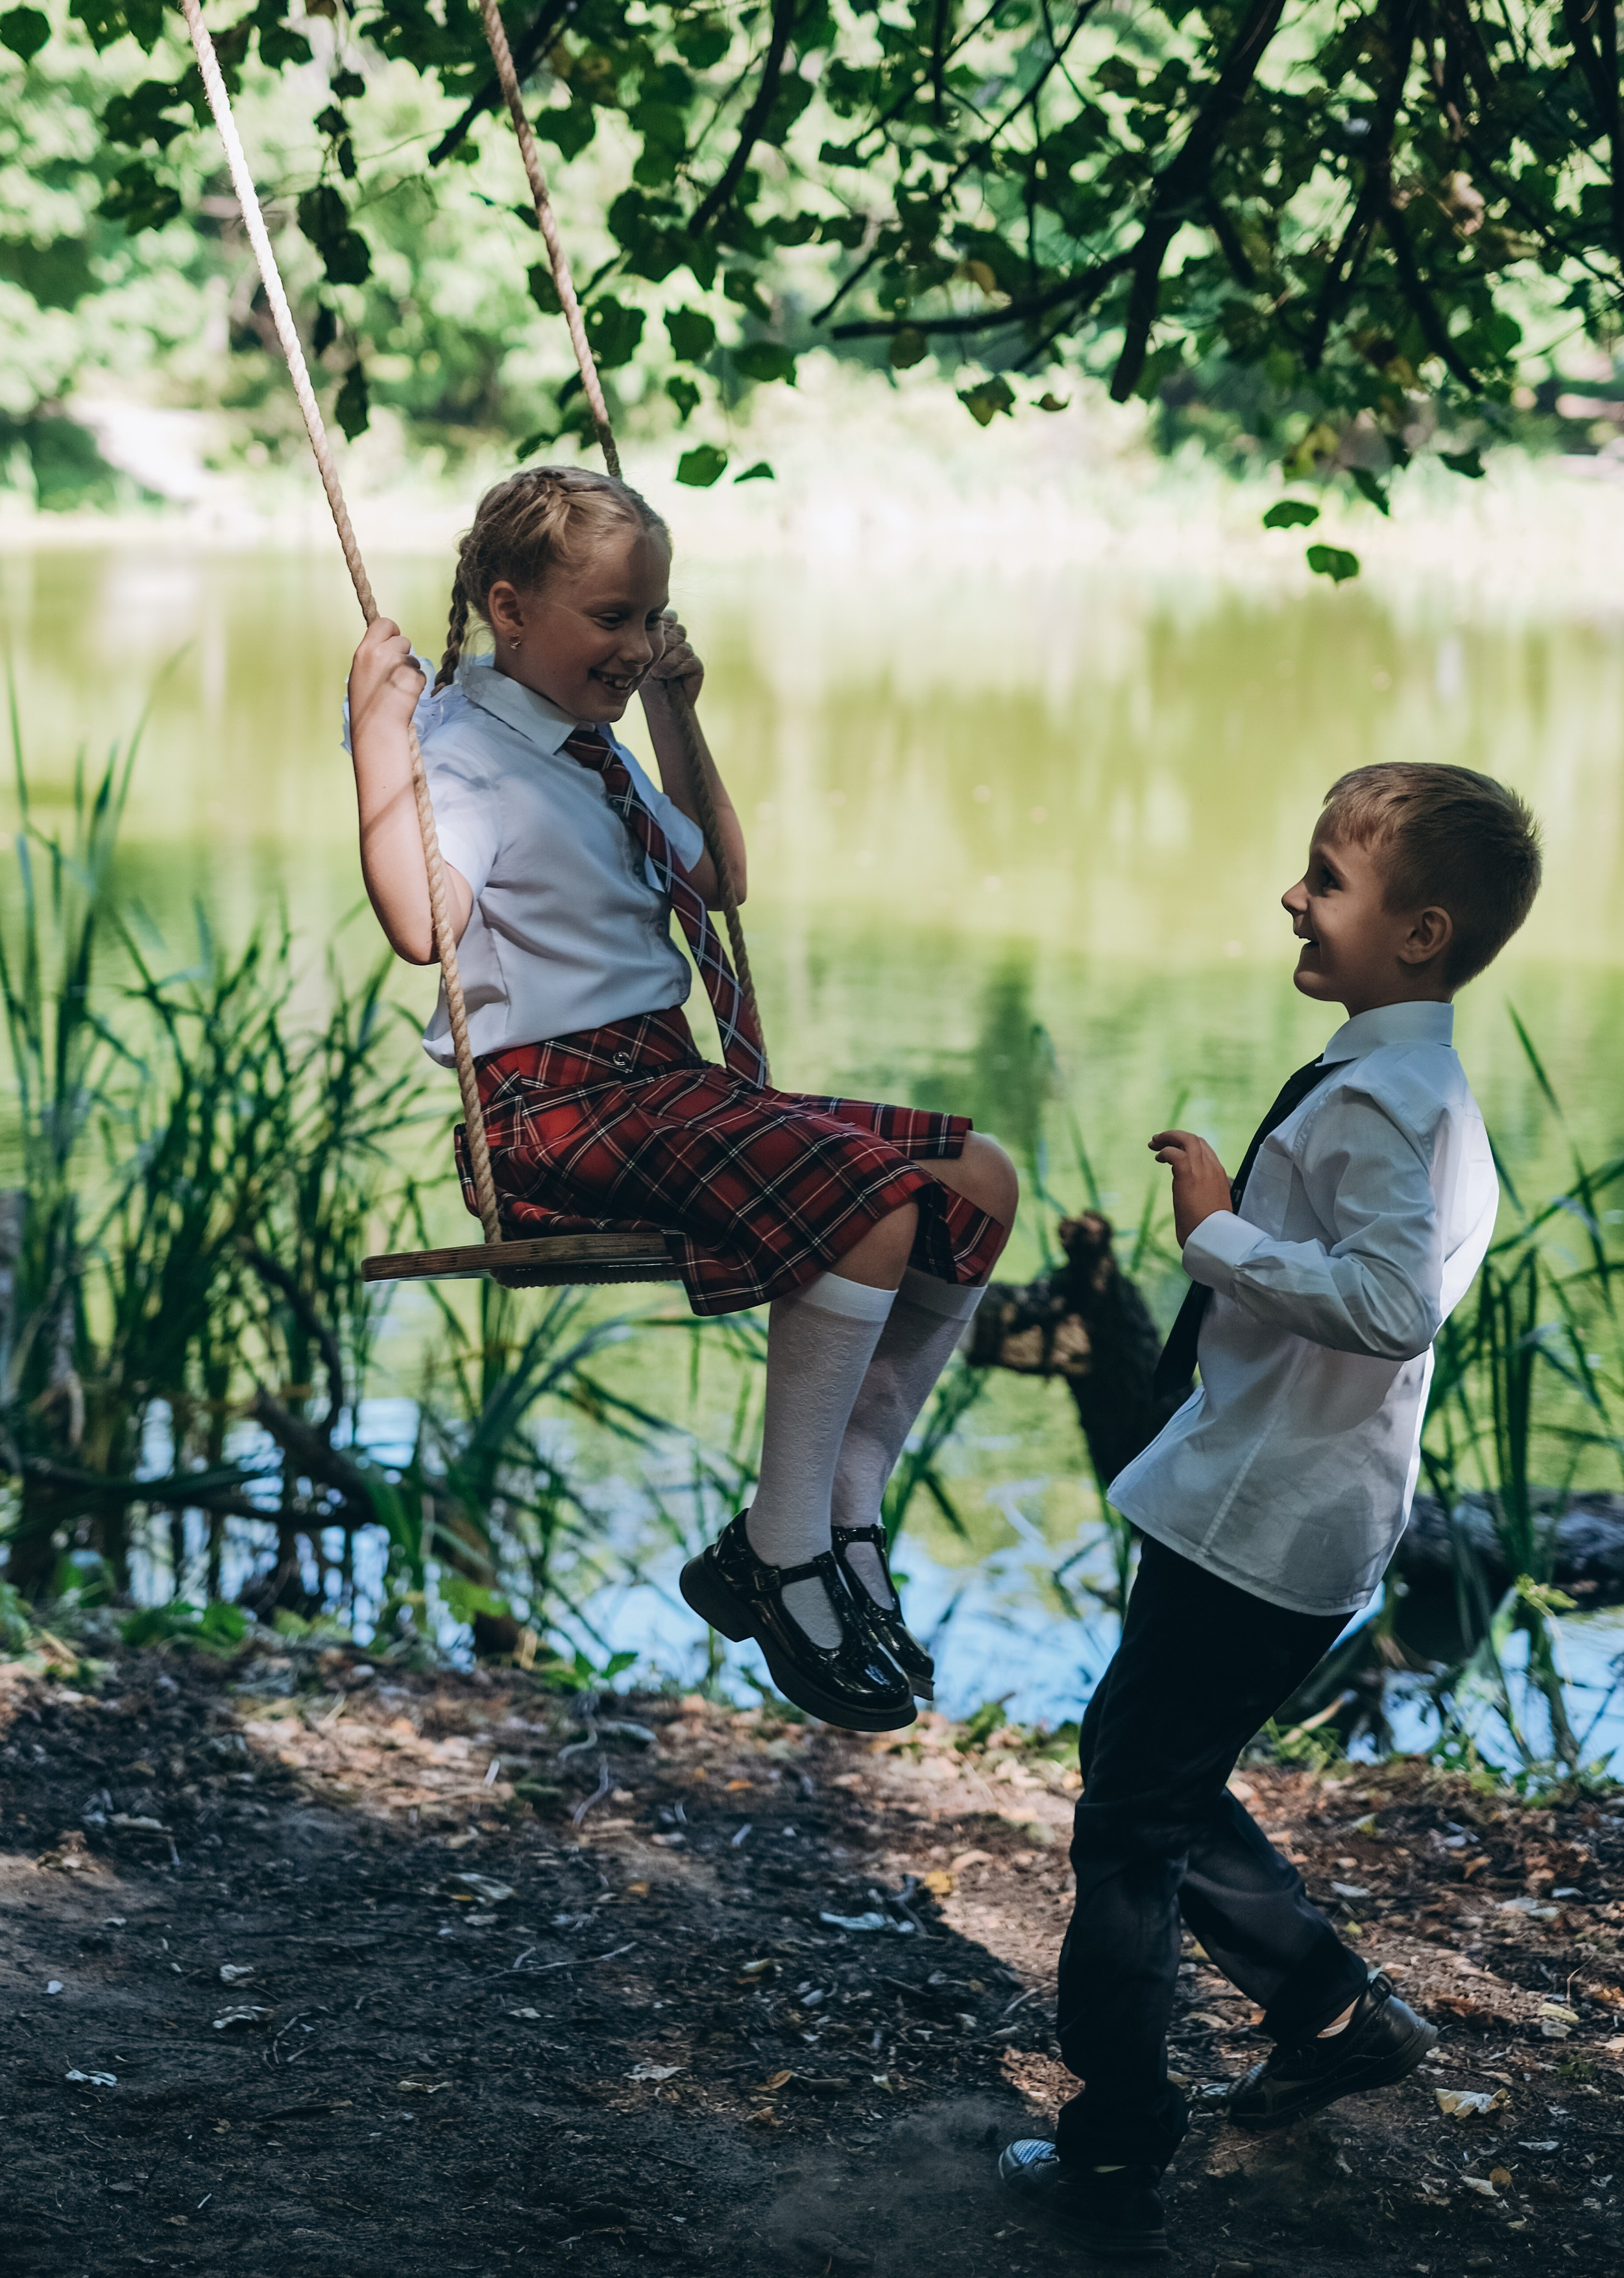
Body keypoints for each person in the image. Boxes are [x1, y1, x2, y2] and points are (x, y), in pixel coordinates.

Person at [346, 465, 1017, 1735]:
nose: (637, 640)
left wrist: (672, 708)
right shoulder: (461, 751)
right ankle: (774, 1555)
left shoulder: (590, 748)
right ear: (508, 607)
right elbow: (421, 926)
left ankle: (843, 1499)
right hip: (549, 1109)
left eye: (650, 616)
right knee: (866, 1205)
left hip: (659, 1083)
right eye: (611, 618)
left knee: (975, 1178)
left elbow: (715, 877)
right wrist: (378, 740)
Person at [1000, 762, 1542, 2259]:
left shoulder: (1386, 1101)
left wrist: (1215, 1233)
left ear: (1417, 934)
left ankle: (1113, 2138)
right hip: (1274, 1506)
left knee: (1122, 1826)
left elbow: (1383, 1307)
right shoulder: (1415, 1091)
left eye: (1324, 877)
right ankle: (1331, 2013)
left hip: (1262, 1522)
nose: (1292, 897)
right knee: (1149, 1774)